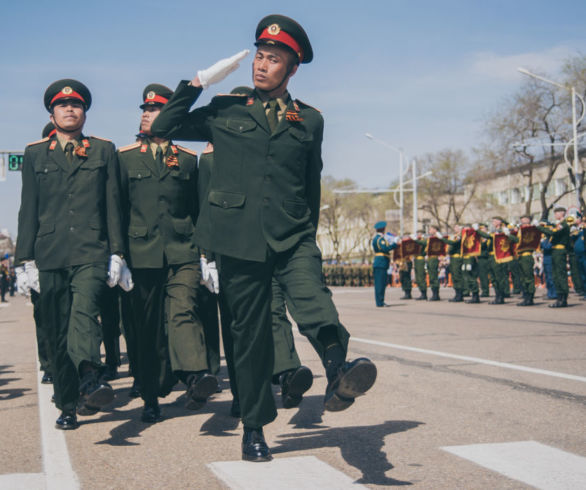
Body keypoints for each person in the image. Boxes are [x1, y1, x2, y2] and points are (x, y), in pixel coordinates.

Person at [151, 15, 377, 462]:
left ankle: (338, 371)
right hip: (239, 240)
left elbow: (310, 182)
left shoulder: (309, 120)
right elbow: (165, 126)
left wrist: (306, 235)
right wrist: (199, 81)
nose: (261, 65)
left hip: (292, 234)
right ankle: (253, 427)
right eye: (259, 55)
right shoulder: (226, 109)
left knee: (313, 298)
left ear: (292, 70)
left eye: (273, 59)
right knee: (250, 337)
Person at [16, 79, 129, 430]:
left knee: (83, 312)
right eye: (63, 106)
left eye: (76, 105)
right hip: (49, 253)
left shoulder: (103, 150)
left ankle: (89, 376)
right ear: (52, 112)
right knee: (57, 329)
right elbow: (28, 209)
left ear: (84, 113)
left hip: (91, 250)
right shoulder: (35, 153)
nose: (70, 109)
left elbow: (113, 204)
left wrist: (118, 253)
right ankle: (68, 403)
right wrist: (25, 260)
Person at [118, 83, 217, 423]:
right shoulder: (124, 158)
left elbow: (200, 211)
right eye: (145, 110)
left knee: (182, 310)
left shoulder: (189, 161)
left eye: (156, 110)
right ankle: (150, 394)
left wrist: (206, 256)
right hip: (140, 256)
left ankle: (194, 376)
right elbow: (116, 211)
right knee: (146, 329)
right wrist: (117, 255)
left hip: (182, 252)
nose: (148, 115)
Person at [537, 207, 571, 307]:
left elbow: (553, 232)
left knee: (560, 274)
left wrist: (540, 228)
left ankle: (563, 299)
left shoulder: (564, 224)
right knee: (556, 275)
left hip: (560, 250)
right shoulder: (558, 224)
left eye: (556, 213)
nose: (555, 215)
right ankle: (559, 298)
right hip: (555, 251)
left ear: (562, 213)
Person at [508, 216, 537, 306]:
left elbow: (520, 241)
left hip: (526, 256)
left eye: (524, 221)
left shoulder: (530, 230)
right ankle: (526, 296)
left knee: (528, 278)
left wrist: (509, 236)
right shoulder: (521, 229)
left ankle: (530, 297)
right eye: (522, 221)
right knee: (523, 278)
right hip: (520, 256)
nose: (522, 222)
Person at [371, 220, 396, 307]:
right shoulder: (379, 239)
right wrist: (395, 244)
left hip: (381, 263)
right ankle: (380, 302)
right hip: (381, 263)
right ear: (383, 229)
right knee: (380, 284)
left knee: (381, 283)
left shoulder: (378, 238)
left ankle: (380, 301)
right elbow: (385, 248)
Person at [441, 225, 464, 302]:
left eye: (457, 227)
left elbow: (453, 243)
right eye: (455, 227)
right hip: (452, 257)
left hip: (457, 257)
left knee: (457, 276)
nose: (455, 229)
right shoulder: (455, 236)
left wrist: (442, 238)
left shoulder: (460, 236)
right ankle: (457, 294)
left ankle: (460, 295)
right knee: (454, 276)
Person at [412, 230, 428, 300]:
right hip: (416, 259)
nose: (418, 235)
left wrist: (415, 240)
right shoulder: (416, 241)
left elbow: (424, 243)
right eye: (417, 234)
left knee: (421, 276)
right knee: (418, 278)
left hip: (421, 259)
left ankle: (424, 294)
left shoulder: (424, 240)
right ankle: (421, 292)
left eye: (419, 234)